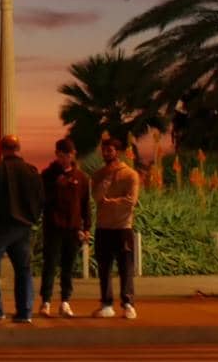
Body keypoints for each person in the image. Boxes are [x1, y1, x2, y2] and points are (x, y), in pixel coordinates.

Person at [0, 135, 44, 324]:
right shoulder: (31, 172)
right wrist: (31, 219)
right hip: (23, 227)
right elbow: (40, 199)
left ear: (2, 149)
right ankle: (24, 311)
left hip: (0, 226)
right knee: (23, 268)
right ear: (18, 148)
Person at [39, 138, 92, 318]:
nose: (64, 159)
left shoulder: (81, 178)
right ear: (56, 155)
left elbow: (86, 204)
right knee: (50, 265)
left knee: (68, 267)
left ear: (73, 155)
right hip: (53, 227)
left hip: (73, 228)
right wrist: (56, 186)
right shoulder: (47, 175)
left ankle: (65, 301)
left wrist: (87, 228)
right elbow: (41, 200)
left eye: (68, 155)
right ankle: (45, 301)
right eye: (61, 156)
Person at [91, 137, 141, 321]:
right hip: (103, 228)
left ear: (118, 152)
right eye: (104, 150)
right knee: (104, 269)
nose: (106, 154)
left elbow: (131, 202)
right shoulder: (98, 175)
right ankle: (106, 304)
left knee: (125, 268)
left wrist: (109, 203)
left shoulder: (130, 174)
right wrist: (105, 184)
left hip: (122, 228)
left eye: (110, 150)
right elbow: (96, 198)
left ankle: (128, 304)